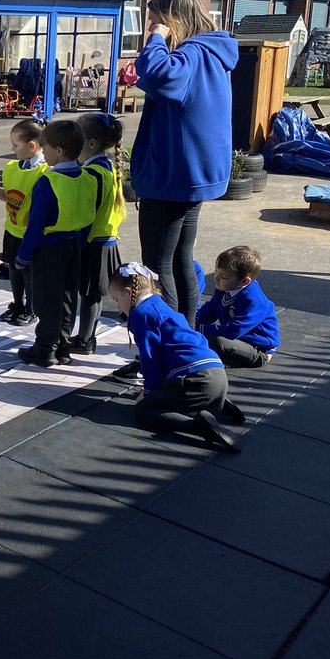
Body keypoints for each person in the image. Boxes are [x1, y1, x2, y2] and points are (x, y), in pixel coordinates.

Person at [131, 0, 238, 328]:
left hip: (172, 175)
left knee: (157, 266)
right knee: (180, 260)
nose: (152, 26)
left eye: (156, 21)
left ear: (172, 20)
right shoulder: (212, 53)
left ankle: (169, 344)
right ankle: (188, 338)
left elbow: (159, 76)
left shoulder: (190, 55)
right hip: (193, 174)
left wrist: (156, 39)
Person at [109, 264, 244, 452]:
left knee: (145, 411)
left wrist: (147, 392)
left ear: (128, 292)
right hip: (216, 372)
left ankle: (197, 424)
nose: (117, 306)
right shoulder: (159, 304)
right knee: (168, 391)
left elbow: (151, 360)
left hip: (197, 378)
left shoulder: (141, 314)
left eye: (116, 299)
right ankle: (216, 402)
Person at [13, 120, 97, 368]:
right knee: (68, 296)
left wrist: (23, 256)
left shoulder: (49, 181)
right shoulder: (86, 177)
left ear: (58, 151)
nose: (43, 150)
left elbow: (36, 224)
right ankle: (62, 346)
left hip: (50, 247)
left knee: (47, 298)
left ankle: (44, 348)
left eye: (46, 147)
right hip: (75, 243)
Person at [70, 114, 126, 354]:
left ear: (91, 143)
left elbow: (85, 211)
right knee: (94, 294)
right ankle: (87, 336)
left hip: (94, 242)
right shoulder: (110, 166)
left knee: (89, 294)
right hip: (107, 239)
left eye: (78, 140)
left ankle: (85, 340)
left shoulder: (91, 173)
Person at [0, 120, 46, 326]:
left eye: (15, 144)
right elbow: (9, 197)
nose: (12, 149)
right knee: (14, 269)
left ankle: (32, 308)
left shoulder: (44, 172)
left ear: (31, 146)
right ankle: (18, 303)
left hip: (30, 233)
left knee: (29, 273)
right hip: (11, 229)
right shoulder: (11, 168)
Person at [197, 245, 280, 368]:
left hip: (258, 348)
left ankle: (230, 361)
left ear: (245, 281)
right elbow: (211, 309)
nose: (216, 278)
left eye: (223, 277)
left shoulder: (253, 300)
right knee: (201, 334)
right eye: (216, 272)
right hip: (239, 339)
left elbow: (234, 330)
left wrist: (201, 328)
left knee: (217, 341)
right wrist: (192, 321)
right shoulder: (225, 288)